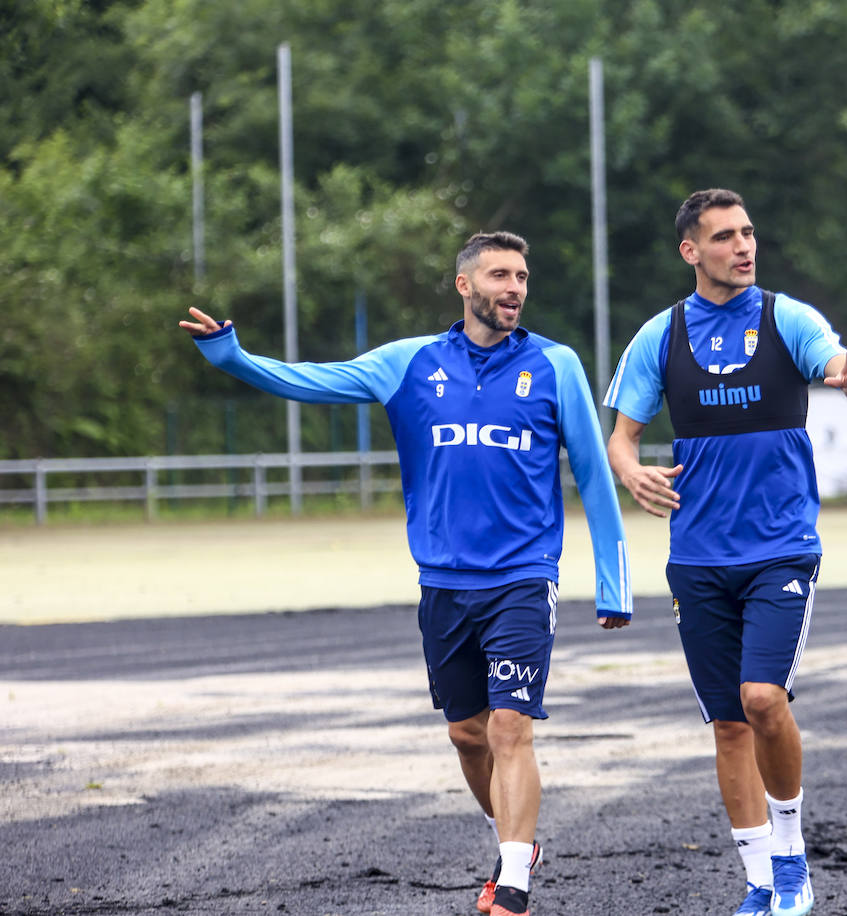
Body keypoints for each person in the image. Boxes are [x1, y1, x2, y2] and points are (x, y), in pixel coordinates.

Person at [179, 230, 632, 916]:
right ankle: (514, 837)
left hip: (523, 576)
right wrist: (233, 357)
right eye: (501, 275)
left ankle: (513, 879)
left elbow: (594, 478)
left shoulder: (556, 363)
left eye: (522, 276)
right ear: (465, 285)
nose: (514, 288)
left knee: (511, 726)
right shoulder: (408, 363)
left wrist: (613, 582)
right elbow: (310, 380)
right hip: (444, 584)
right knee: (468, 734)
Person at [603, 188, 847, 916]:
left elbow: (834, 366)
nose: (743, 245)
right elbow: (622, 435)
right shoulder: (659, 337)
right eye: (726, 236)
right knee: (727, 722)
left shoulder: (784, 318)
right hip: (696, 556)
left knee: (763, 698)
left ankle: (792, 861)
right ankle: (759, 881)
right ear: (690, 250)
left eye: (748, 232)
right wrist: (630, 471)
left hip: (779, 549)